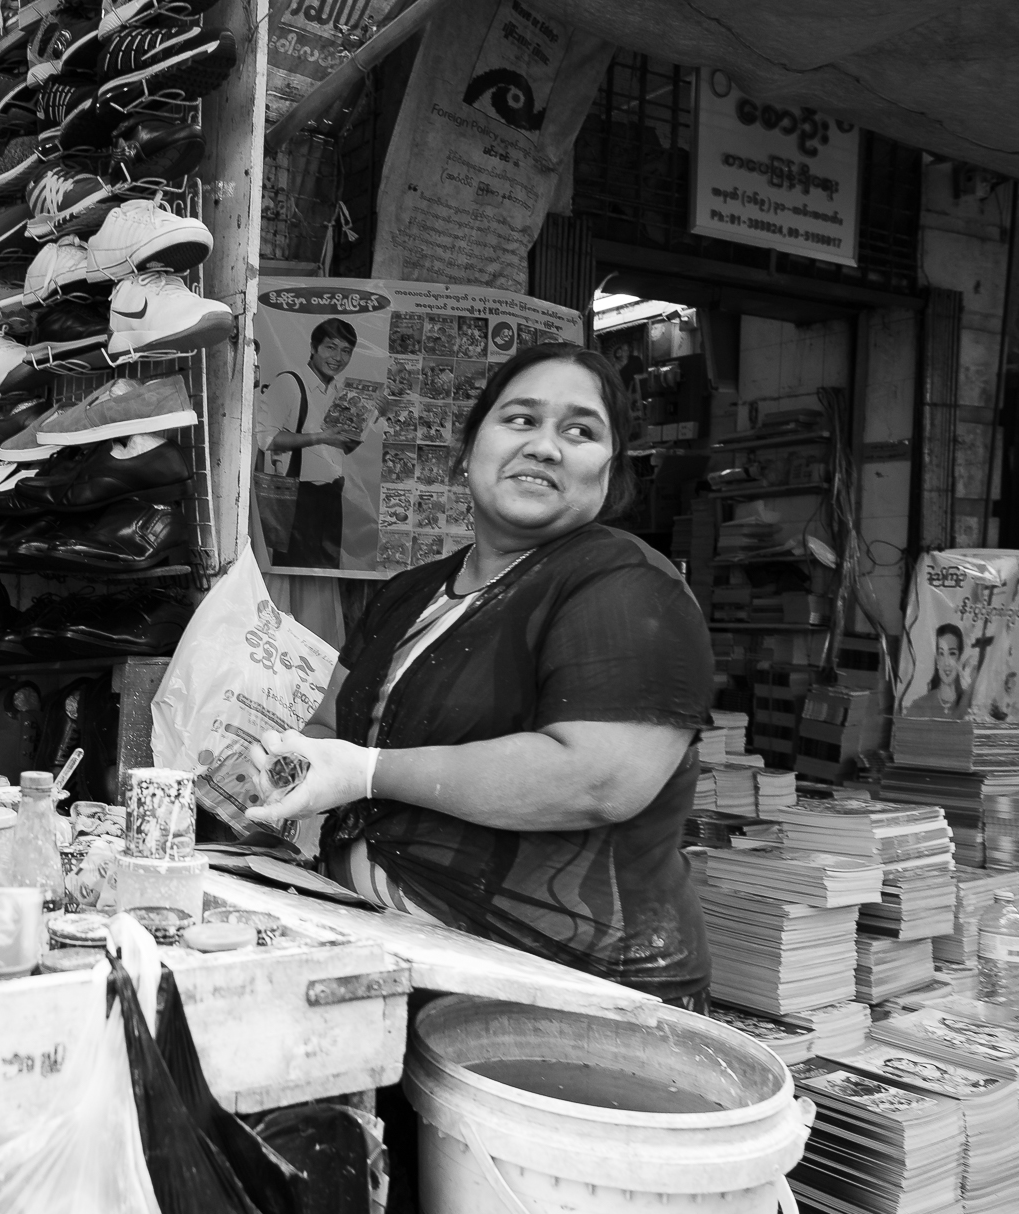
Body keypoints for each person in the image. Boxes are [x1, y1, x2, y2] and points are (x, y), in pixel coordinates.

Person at [246, 342, 715, 1008]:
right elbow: (331, 727)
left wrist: (366, 772)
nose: (545, 446)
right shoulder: (408, 593)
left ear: (611, 472)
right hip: (382, 960)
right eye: (520, 420)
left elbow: (599, 778)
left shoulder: (630, 587)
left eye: (580, 431)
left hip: (566, 1002)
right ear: (469, 452)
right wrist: (271, 775)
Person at [257, 317, 367, 567]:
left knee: (326, 572)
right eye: (331, 347)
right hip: (297, 498)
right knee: (295, 571)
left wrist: (371, 416)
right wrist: (320, 437)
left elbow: (345, 446)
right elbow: (266, 439)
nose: (338, 357)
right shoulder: (290, 383)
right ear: (314, 348)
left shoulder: (341, 392)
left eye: (346, 351)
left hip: (330, 496)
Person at [905, 622, 976, 718]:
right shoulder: (919, 707)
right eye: (941, 653)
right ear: (937, 660)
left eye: (952, 653)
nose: (946, 662)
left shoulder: (971, 708)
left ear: (959, 658)